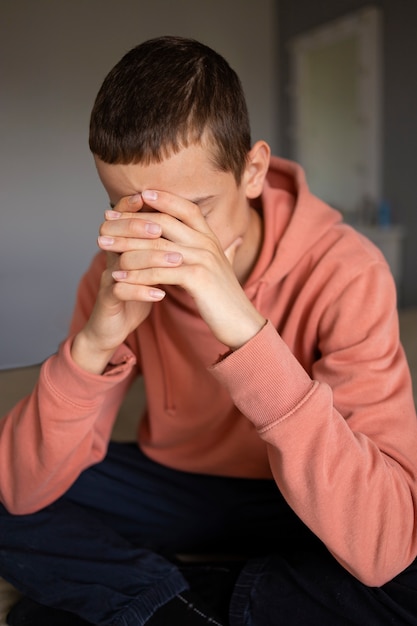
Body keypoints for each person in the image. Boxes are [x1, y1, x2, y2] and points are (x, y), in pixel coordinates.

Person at [1, 35, 417, 626]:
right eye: (136, 211)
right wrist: (92, 347)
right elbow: (22, 491)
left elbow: (383, 544)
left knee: (402, 565)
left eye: (193, 209)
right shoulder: (116, 270)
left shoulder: (349, 270)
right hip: (177, 488)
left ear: (253, 171)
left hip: (297, 499)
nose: (166, 238)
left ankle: (154, 598)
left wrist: (248, 333)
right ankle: (189, 604)